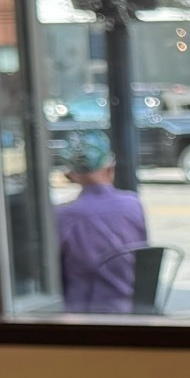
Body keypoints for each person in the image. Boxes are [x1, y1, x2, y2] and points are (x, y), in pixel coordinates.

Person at [54, 132, 148, 312]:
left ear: (71, 175)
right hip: (129, 309)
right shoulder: (133, 204)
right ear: (110, 168)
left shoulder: (64, 216)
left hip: (83, 313)